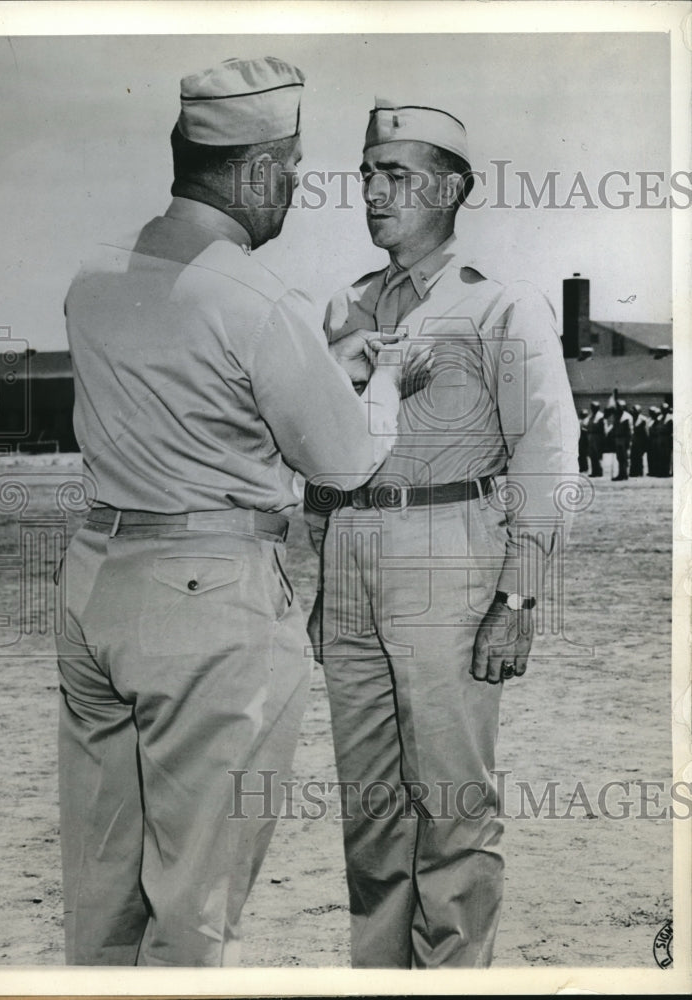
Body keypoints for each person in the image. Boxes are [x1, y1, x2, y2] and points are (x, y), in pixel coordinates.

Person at [55, 58, 429, 967]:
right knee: (197, 902)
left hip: (97, 580)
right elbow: (338, 462)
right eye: (294, 169)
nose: (298, 187)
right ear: (258, 170)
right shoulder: (258, 297)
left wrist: (320, 360)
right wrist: (380, 380)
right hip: (209, 598)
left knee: (102, 890)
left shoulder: (96, 272)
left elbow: (193, 394)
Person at [305, 97, 578, 968]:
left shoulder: (502, 308)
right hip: (348, 551)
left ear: (452, 187)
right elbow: (316, 455)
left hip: (448, 550)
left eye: (393, 176)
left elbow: (545, 456)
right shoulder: (342, 309)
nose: (372, 194)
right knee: (370, 812)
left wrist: (518, 595)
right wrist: (317, 578)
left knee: (453, 808)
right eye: (365, 178)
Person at [611, 398, 633, 481]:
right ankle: (621, 474)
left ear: (623, 407)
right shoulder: (616, 416)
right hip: (617, 439)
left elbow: (630, 431)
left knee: (625, 457)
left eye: (619, 406)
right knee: (619, 457)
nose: (617, 408)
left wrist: (628, 441)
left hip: (625, 439)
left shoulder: (627, 417)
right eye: (617, 406)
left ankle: (625, 474)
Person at [587, 400, 605, 477]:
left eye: (594, 407)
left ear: (598, 408)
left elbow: (604, 429)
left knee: (598, 456)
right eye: (592, 407)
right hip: (591, 437)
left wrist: (603, 440)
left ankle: (599, 472)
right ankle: (594, 471)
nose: (593, 408)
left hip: (598, 437)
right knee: (592, 455)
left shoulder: (601, 416)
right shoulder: (591, 416)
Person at [629, 404, 648, 477]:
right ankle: (633, 472)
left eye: (635, 410)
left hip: (640, 441)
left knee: (639, 457)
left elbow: (646, 432)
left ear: (639, 411)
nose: (634, 411)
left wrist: (645, 443)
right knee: (632, 457)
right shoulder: (631, 418)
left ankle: (640, 472)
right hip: (633, 440)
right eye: (633, 410)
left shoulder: (643, 419)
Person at [647, 406, 663, 476]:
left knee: (657, 455)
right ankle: (651, 471)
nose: (651, 413)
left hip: (657, 439)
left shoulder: (659, 420)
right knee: (650, 456)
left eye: (653, 412)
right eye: (650, 412)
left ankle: (657, 471)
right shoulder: (649, 420)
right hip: (650, 440)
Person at [578, 408, 590, 473]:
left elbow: (588, 429)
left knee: (584, 454)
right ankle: (581, 467)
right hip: (580, 438)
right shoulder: (579, 421)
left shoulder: (587, 420)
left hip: (585, 437)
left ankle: (585, 467)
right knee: (580, 454)